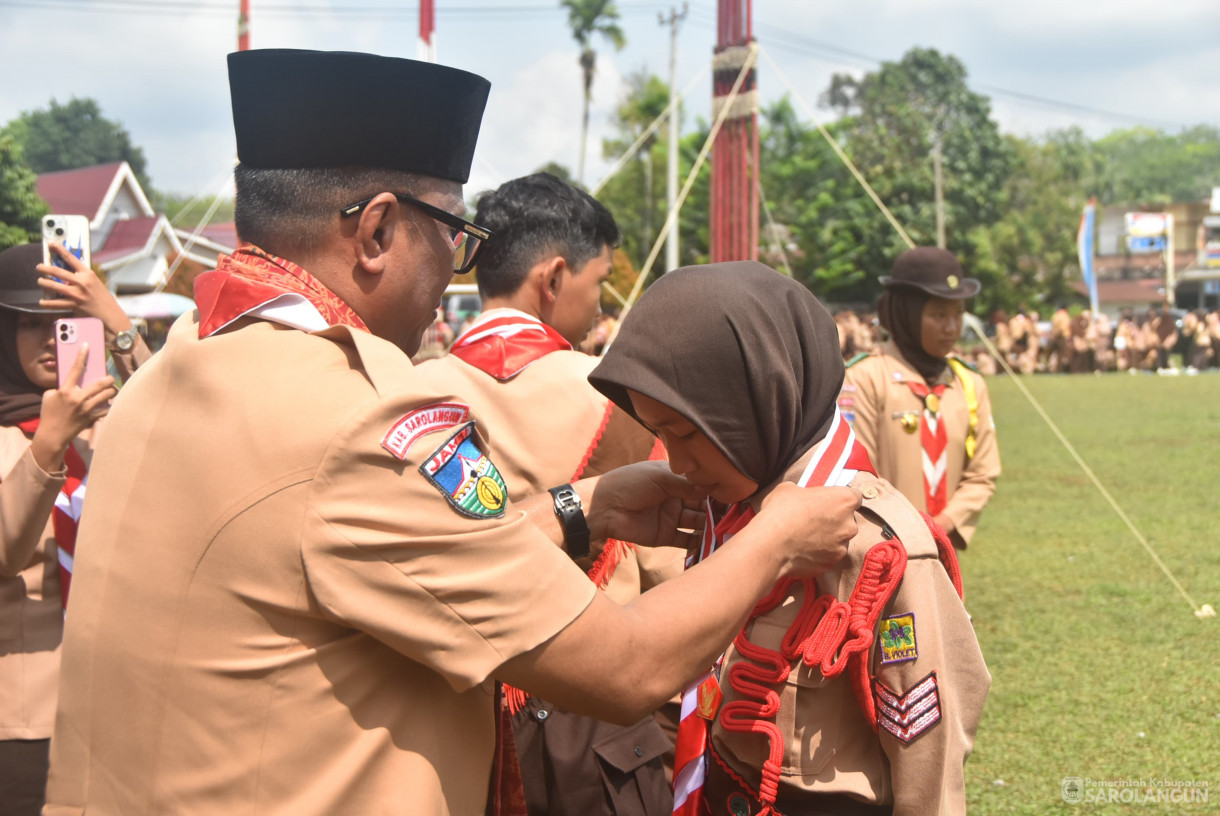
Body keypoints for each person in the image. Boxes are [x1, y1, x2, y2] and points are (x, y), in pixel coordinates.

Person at [42, 49, 863, 816]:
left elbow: (390, 557)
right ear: (377, 233)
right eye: (456, 236)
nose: (456, 272)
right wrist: (780, 539)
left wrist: (585, 509)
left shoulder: (176, 366)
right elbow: (624, 667)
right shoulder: (359, 416)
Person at [589, 261, 989, 816]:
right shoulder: (716, 516)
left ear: (758, 403)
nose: (677, 464)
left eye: (687, 434)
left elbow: (928, 761)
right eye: (660, 435)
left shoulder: (878, 551)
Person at [419, 172, 684, 815]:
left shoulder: (412, 392)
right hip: (598, 728)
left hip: (454, 727)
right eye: (599, 283)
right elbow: (665, 567)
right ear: (555, 278)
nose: (599, 306)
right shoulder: (617, 395)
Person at [0, 240, 147, 816]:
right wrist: (47, 445)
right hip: (24, 720)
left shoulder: (110, 424)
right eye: (31, 324)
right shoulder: (32, 438)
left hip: (114, 706)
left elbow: (187, 407)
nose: (48, 340)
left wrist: (116, 321)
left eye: (65, 324)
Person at [841, 247, 1000, 550]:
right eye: (938, 315)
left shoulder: (969, 383)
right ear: (906, 315)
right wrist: (907, 533)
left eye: (958, 314)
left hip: (941, 551)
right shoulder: (865, 378)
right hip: (879, 552)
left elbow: (982, 473)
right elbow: (857, 476)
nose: (952, 328)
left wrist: (943, 525)